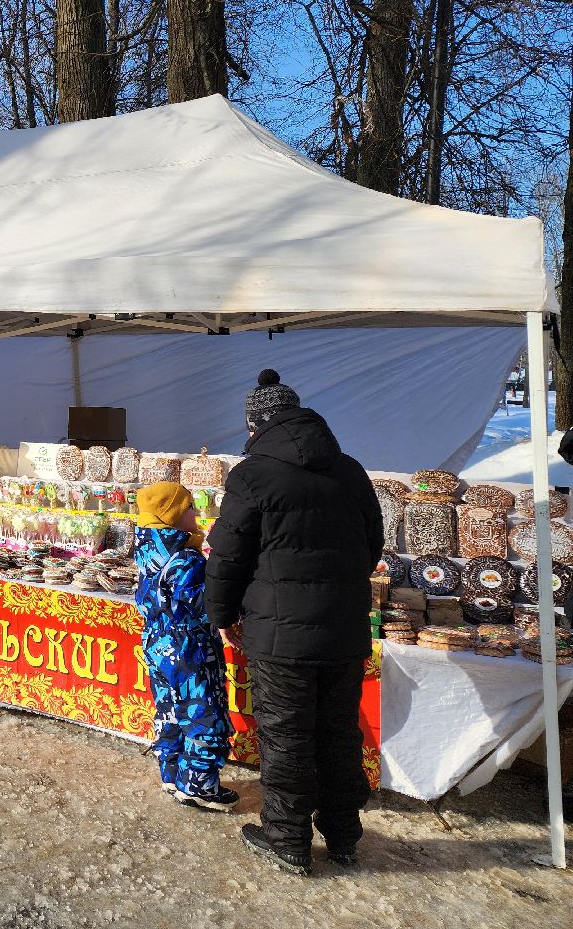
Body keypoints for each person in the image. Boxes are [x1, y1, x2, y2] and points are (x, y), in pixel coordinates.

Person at [205, 369, 382, 876]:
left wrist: (221, 612)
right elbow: (372, 545)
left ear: (256, 424)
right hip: (344, 629)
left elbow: (227, 556)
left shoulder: (252, 474)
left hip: (280, 635)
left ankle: (286, 838)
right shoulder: (349, 469)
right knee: (336, 732)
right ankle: (345, 835)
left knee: (286, 736)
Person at [133, 481, 236, 811]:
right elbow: (201, 606)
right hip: (188, 651)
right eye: (190, 507)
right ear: (172, 515)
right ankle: (199, 785)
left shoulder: (147, 549)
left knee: (169, 710)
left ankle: (172, 772)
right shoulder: (187, 560)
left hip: (157, 645)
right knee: (204, 712)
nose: (196, 513)